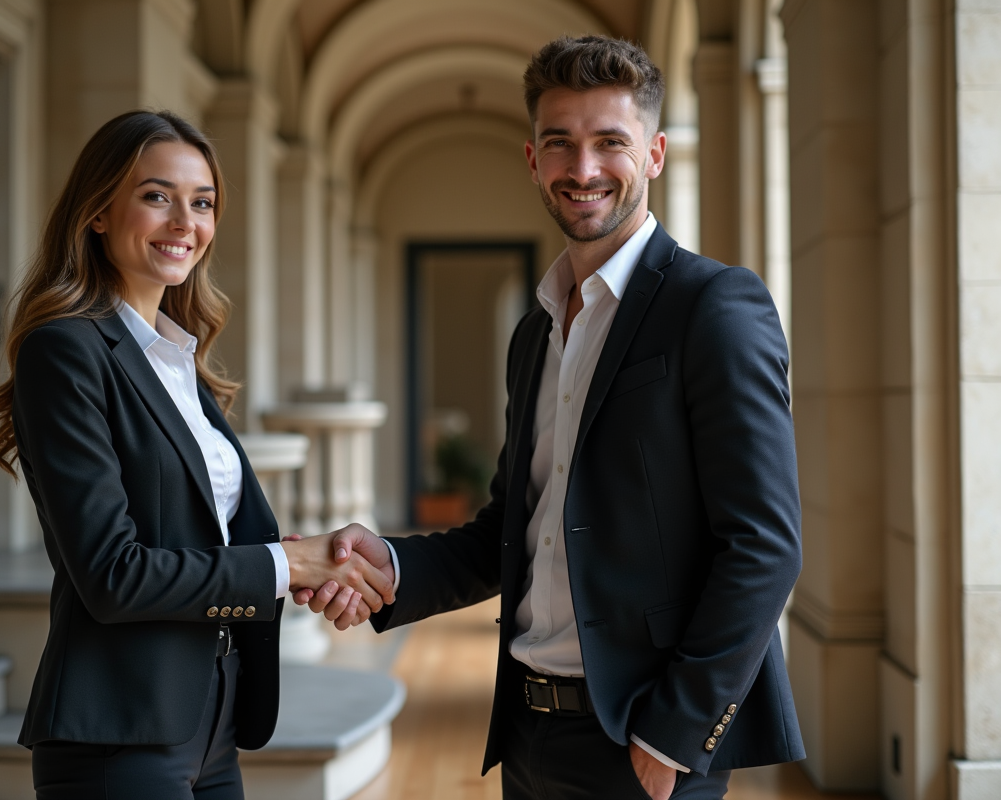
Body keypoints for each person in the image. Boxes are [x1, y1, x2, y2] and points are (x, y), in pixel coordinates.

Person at [299, 35, 805, 800]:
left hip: (642, 738)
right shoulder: (536, 330)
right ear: (533, 160)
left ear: (655, 155)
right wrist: (389, 566)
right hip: (529, 730)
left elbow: (765, 543)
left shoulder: (713, 307)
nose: (584, 168)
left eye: (611, 142)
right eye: (560, 142)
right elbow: (514, 528)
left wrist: (675, 731)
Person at [0, 109, 393, 800]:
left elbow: (198, 536)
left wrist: (297, 565)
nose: (184, 222)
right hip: (120, 731)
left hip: (212, 712)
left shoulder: (175, 359)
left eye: (202, 203)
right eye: (156, 196)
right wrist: (288, 565)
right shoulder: (66, 351)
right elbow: (113, 574)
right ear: (98, 212)